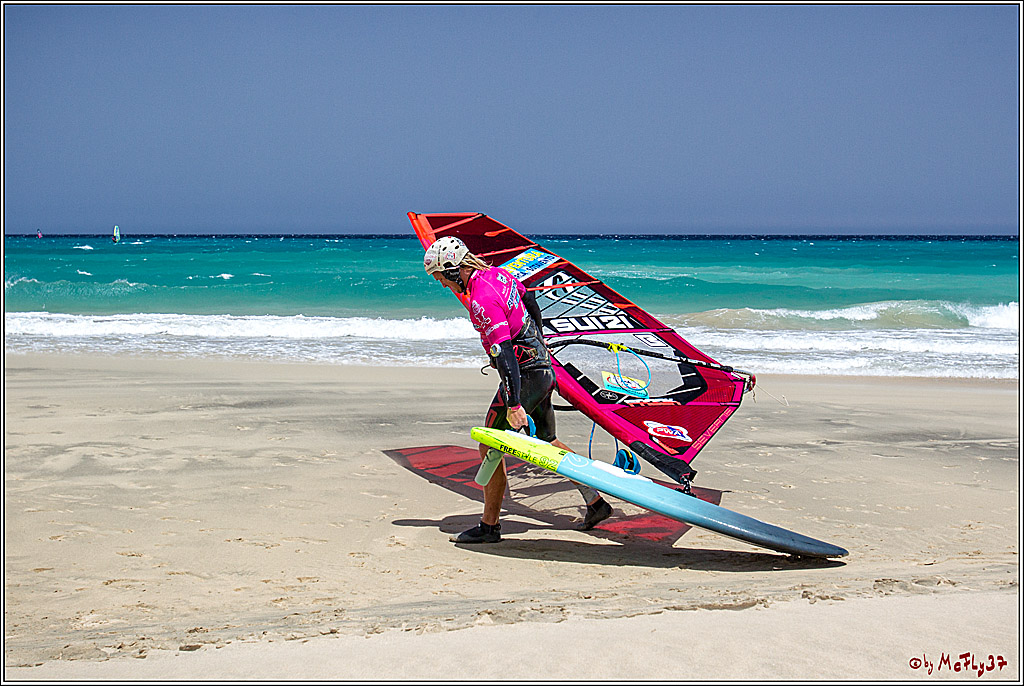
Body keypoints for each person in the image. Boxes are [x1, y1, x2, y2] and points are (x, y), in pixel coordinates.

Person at [423, 236, 612, 543]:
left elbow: (505, 352)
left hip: (523, 376)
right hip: (542, 370)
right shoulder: (500, 275)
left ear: (454, 270)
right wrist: (541, 344)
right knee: (547, 441)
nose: (443, 285)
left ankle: (490, 526)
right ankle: (595, 502)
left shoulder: (481, 300)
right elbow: (531, 302)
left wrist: (513, 403)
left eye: (441, 278)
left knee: (489, 442)